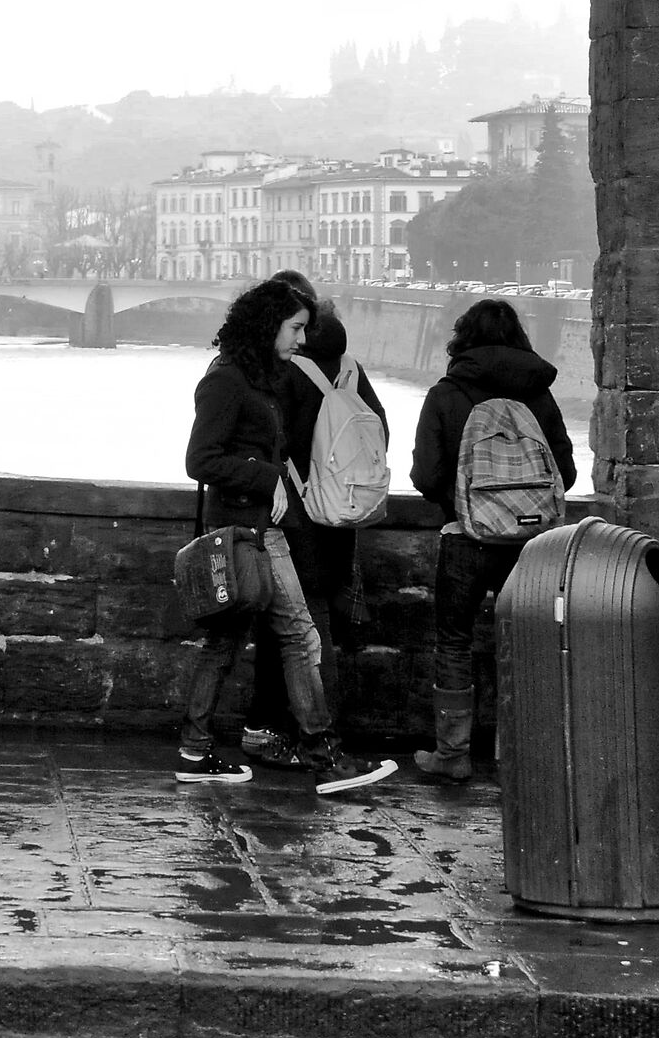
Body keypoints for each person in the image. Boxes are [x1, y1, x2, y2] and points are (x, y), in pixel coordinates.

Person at [178, 280, 395, 794]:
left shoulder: (262, 378)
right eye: (295, 327)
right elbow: (199, 460)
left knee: (229, 641)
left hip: (262, 526)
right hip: (241, 529)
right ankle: (324, 756)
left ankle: (195, 749)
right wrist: (266, 476)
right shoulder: (226, 381)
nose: (301, 338)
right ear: (267, 323)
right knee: (297, 635)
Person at [407, 298, 578, 782]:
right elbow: (564, 471)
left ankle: (453, 754)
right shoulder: (539, 397)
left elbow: (426, 473)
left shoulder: (446, 394)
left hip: (464, 537)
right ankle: (519, 752)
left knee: (455, 642)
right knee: (524, 643)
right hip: (531, 546)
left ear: (463, 338)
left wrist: (463, 502)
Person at [229, 297, 387, 770]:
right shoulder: (353, 371)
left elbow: (279, 443)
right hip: (344, 517)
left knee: (305, 631)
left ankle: (315, 736)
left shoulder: (290, 374)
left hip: (298, 516)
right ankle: (315, 735)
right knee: (319, 628)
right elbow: (379, 435)